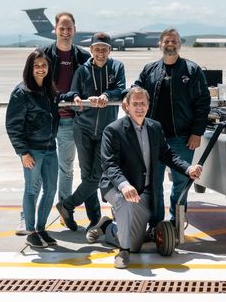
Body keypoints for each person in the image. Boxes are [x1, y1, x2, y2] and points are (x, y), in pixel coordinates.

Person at [86, 87, 203, 269]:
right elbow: (109, 165)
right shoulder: (113, 130)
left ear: (148, 106)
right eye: (135, 104)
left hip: (143, 190)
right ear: (126, 106)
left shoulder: (154, 127)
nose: (139, 107)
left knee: (137, 245)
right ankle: (123, 251)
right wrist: (124, 186)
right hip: (116, 186)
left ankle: (108, 226)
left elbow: (168, 155)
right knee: (125, 205)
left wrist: (188, 169)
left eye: (142, 103)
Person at [15, 12, 90, 236]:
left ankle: (64, 210)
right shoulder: (44, 53)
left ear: (74, 30)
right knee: (34, 177)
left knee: (66, 169)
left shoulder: (82, 56)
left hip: (69, 121)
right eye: (62, 28)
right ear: (55, 30)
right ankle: (25, 218)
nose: (66, 32)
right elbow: (30, 80)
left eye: (69, 28)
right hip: (44, 123)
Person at [132, 28, 210, 232]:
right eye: (166, 41)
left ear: (179, 44)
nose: (170, 44)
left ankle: (177, 222)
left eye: (174, 41)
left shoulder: (192, 70)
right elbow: (135, 91)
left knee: (181, 182)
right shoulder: (150, 70)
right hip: (153, 139)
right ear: (160, 44)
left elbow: (203, 102)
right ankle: (156, 223)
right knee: (153, 184)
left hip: (183, 138)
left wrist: (197, 132)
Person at [56, 32, 126, 232]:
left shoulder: (117, 67)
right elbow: (72, 92)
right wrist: (76, 97)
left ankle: (67, 205)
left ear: (109, 50)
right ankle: (94, 221)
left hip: (106, 130)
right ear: (91, 50)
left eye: (104, 49)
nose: (101, 53)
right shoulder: (82, 70)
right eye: (97, 49)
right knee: (88, 176)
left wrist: (107, 95)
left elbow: (121, 89)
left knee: (96, 175)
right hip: (83, 128)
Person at [5, 50, 60, 248]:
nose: (41, 69)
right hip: (33, 151)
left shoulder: (49, 90)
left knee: (51, 189)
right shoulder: (22, 92)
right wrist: (23, 152)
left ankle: (41, 228)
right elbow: (13, 125)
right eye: (36, 65)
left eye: (44, 65)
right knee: (32, 189)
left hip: (50, 148)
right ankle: (31, 231)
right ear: (30, 68)